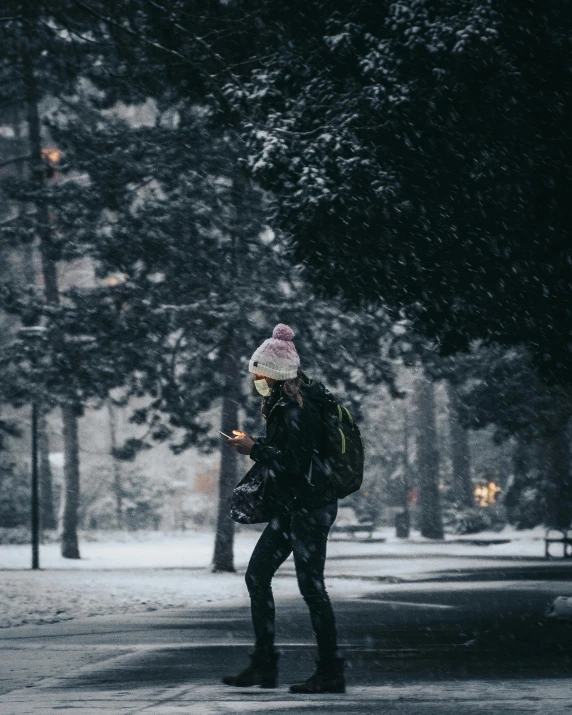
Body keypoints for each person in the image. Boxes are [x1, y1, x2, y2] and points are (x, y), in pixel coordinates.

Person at [222, 323, 345, 694]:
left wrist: (254, 449)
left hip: (310, 507)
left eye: (259, 372)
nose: (255, 378)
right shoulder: (282, 405)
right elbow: (289, 456)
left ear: (276, 375)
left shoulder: (300, 408)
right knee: (257, 577)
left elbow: (295, 461)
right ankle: (264, 664)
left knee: (312, 587)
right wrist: (256, 443)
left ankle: (330, 672)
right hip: (294, 507)